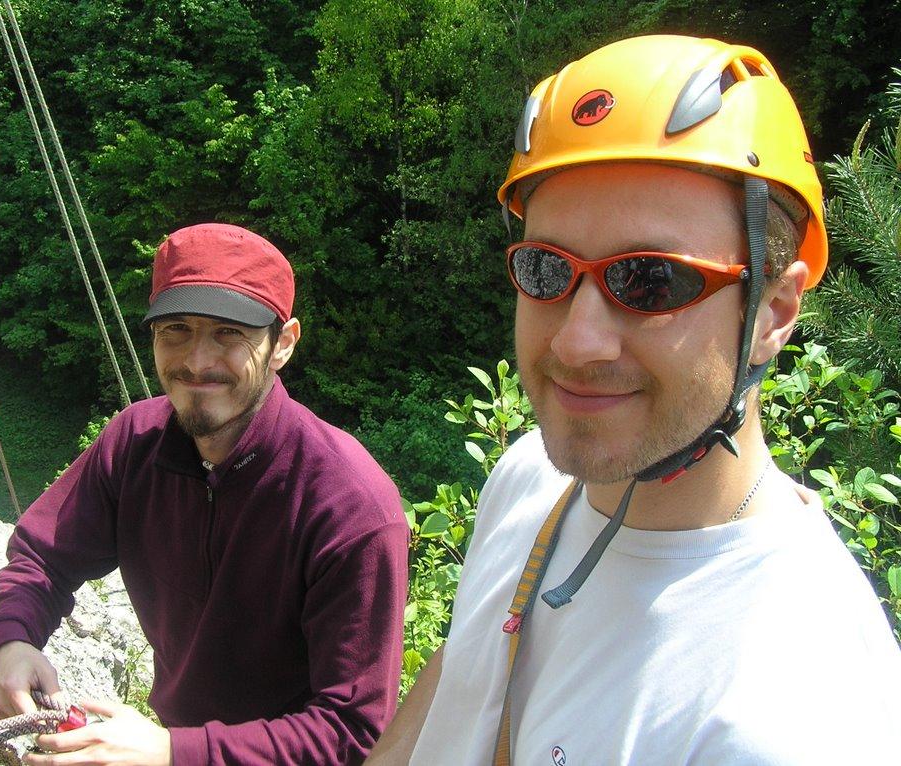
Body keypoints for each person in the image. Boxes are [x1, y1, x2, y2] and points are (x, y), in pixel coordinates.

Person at [367, 35, 901, 765]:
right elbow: (467, 673)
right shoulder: (533, 475)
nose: (577, 343)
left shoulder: (787, 717)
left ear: (773, 313)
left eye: (650, 279)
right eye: (547, 270)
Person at [0, 223, 410, 765]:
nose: (196, 360)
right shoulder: (135, 443)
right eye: (175, 329)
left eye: (229, 333)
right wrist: (10, 640)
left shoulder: (350, 508)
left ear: (284, 344)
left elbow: (351, 731)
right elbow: (43, 558)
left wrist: (172, 754)